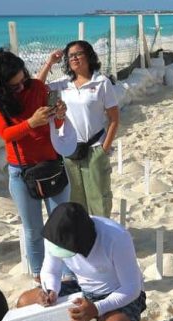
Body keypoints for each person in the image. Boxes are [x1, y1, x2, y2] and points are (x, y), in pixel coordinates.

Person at [0, 49, 72, 281]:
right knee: (33, 230)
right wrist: (31, 122)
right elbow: (5, 134)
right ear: (0, 87)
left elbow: (56, 124)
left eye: (23, 80)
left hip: (51, 164)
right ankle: (39, 277)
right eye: (15, 86)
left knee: (61, 225)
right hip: (22, 172)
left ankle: (69, 275)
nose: (22, 87)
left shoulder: (38, 88)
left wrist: (59, 114)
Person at [16, 202, 145, 321]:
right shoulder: (54, 233)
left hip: (119, 291)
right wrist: (50, 290)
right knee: (24, 302)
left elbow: (132, 287)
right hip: (83, 287)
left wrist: (97, 308)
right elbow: (51, 270)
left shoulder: (116, 237)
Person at [38, 41, 120, 217]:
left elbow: (114, 119)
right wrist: (49, 62)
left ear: (89, 55)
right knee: (75, 200)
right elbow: (37, 87)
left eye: (78, 54)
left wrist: (104, 149)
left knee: (99, 199)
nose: (74, 58)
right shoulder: (63, 84)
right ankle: (83, 239)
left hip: (95, 148)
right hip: (70, 150)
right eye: (70, 56)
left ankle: (101, 239)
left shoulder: (101, 82)